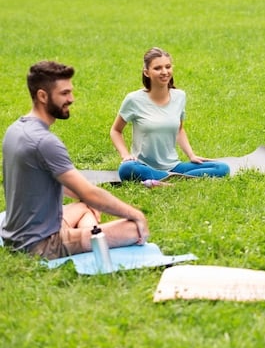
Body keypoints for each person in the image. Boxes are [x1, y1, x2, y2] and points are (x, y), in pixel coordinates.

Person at [1, 61, 149, 260]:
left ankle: (93, 232)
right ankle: (93, 237)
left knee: (83, 207)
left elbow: (71, 189)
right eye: (64, 93)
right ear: (42, 96)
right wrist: (135, 213)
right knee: (134, 229)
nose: (71, 99)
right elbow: (90, 193)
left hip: (15, 235)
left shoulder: (15, 129)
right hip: (42, 245)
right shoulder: (45, 142)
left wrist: (87, 200)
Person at [110, 47, 230, 182]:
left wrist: (191, 155)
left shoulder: (179, 96)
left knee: (222, 168)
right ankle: (172, 179)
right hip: (142, 165)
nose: (164, 72)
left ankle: (165, 179)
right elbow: (116, 130)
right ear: (147, 72)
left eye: (168, 67)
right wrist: (125, 155)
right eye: (157, 68)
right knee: (127, 169)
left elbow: (179, 129)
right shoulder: (134, 99)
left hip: (173, 166)